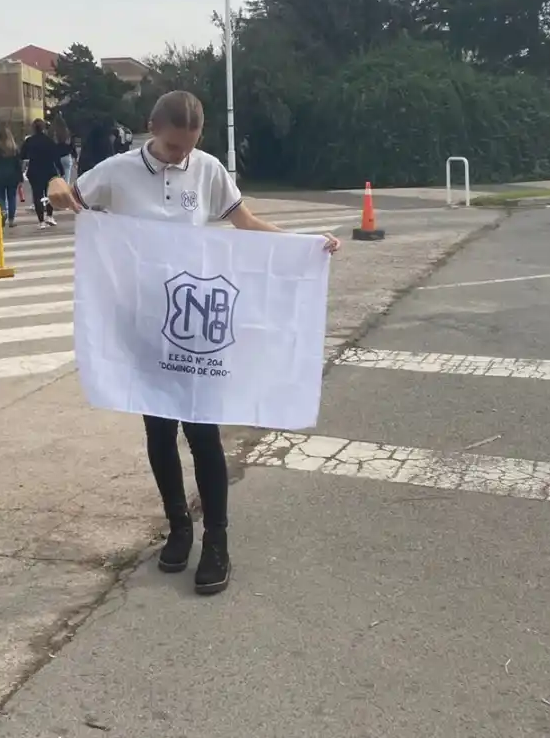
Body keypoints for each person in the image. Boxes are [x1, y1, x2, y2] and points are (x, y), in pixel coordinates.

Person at [49, 90, 340, 596]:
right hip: (142, 324)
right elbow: (68, 190)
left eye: (189, 146)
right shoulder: (117, 171)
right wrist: (55, 186)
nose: (180, 155)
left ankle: (217, 541)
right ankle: (178, 526)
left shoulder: (207, 170)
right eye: (171, 145)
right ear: (152, 128)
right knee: (159, 430)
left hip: (197, 321)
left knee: (203, 433)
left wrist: (305, 246)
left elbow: (243, 222)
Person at [20, 119, 62, 229]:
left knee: (37, 195)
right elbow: (55, 157)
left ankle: (41, 221)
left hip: (35, 171)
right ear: (44, 128)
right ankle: (49, 215)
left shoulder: (29, 141)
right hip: (49, 170)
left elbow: (22, 155)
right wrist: (60, 170)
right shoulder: (49, 141)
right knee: (49, 195)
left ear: (33, 128)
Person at [0, 126, 23, 229]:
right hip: (12, 176)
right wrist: (20, 178)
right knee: (12, 197)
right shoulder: (14, 148)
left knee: (0, 197)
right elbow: (18, 165)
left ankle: (2, 211)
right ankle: (11, 220)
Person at [53, 120, 77, 185]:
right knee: (67, 178)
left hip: (58, 157)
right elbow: (72, 146)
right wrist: (75, 156)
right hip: (67, 156)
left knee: (59, 176)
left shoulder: (55, 133)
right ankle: (65, 190)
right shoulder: (67, 133)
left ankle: (60, 190)